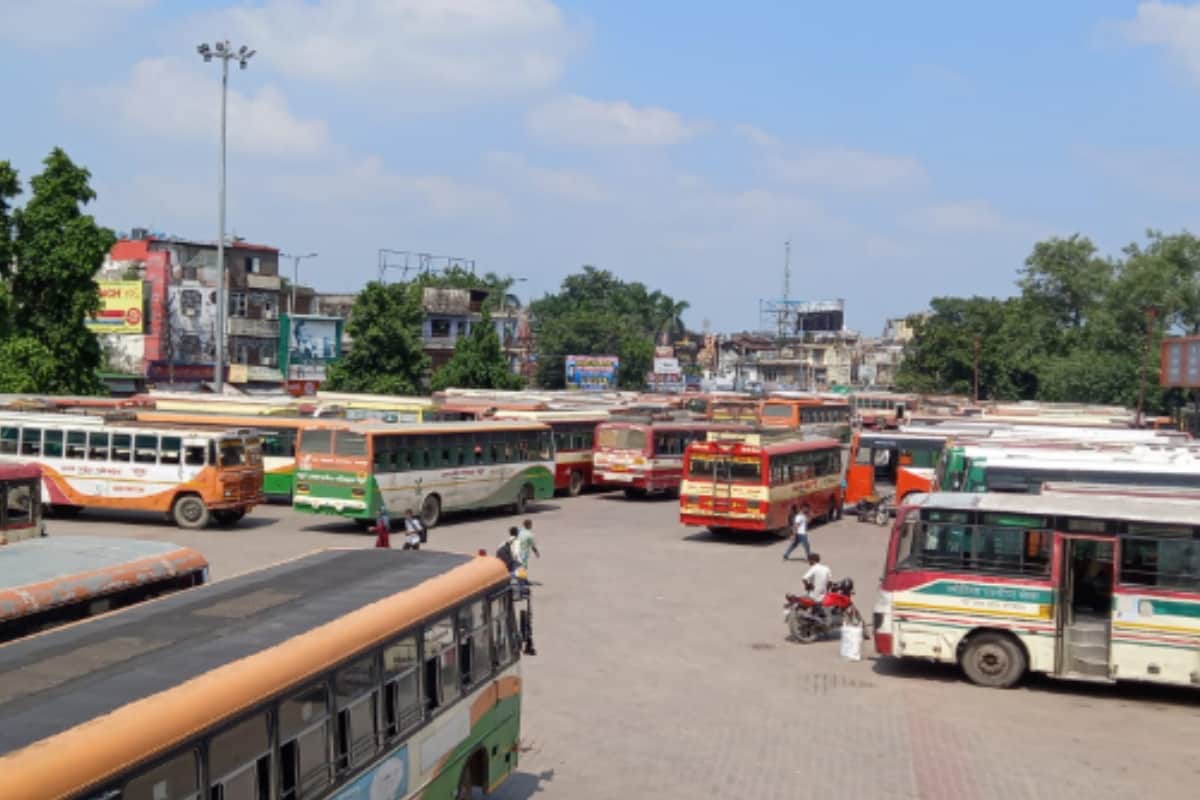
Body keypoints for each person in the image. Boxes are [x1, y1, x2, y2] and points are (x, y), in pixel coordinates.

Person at [802, 553, 833, 619]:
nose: (808, 562)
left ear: (812, 560)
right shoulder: (826, 568)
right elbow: (830, 582)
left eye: (809, 560)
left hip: (813, 595)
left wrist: (808, 586)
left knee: (803, 600)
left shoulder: (814, 568)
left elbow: (804, 579)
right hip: (824, 596)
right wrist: (826, 590)